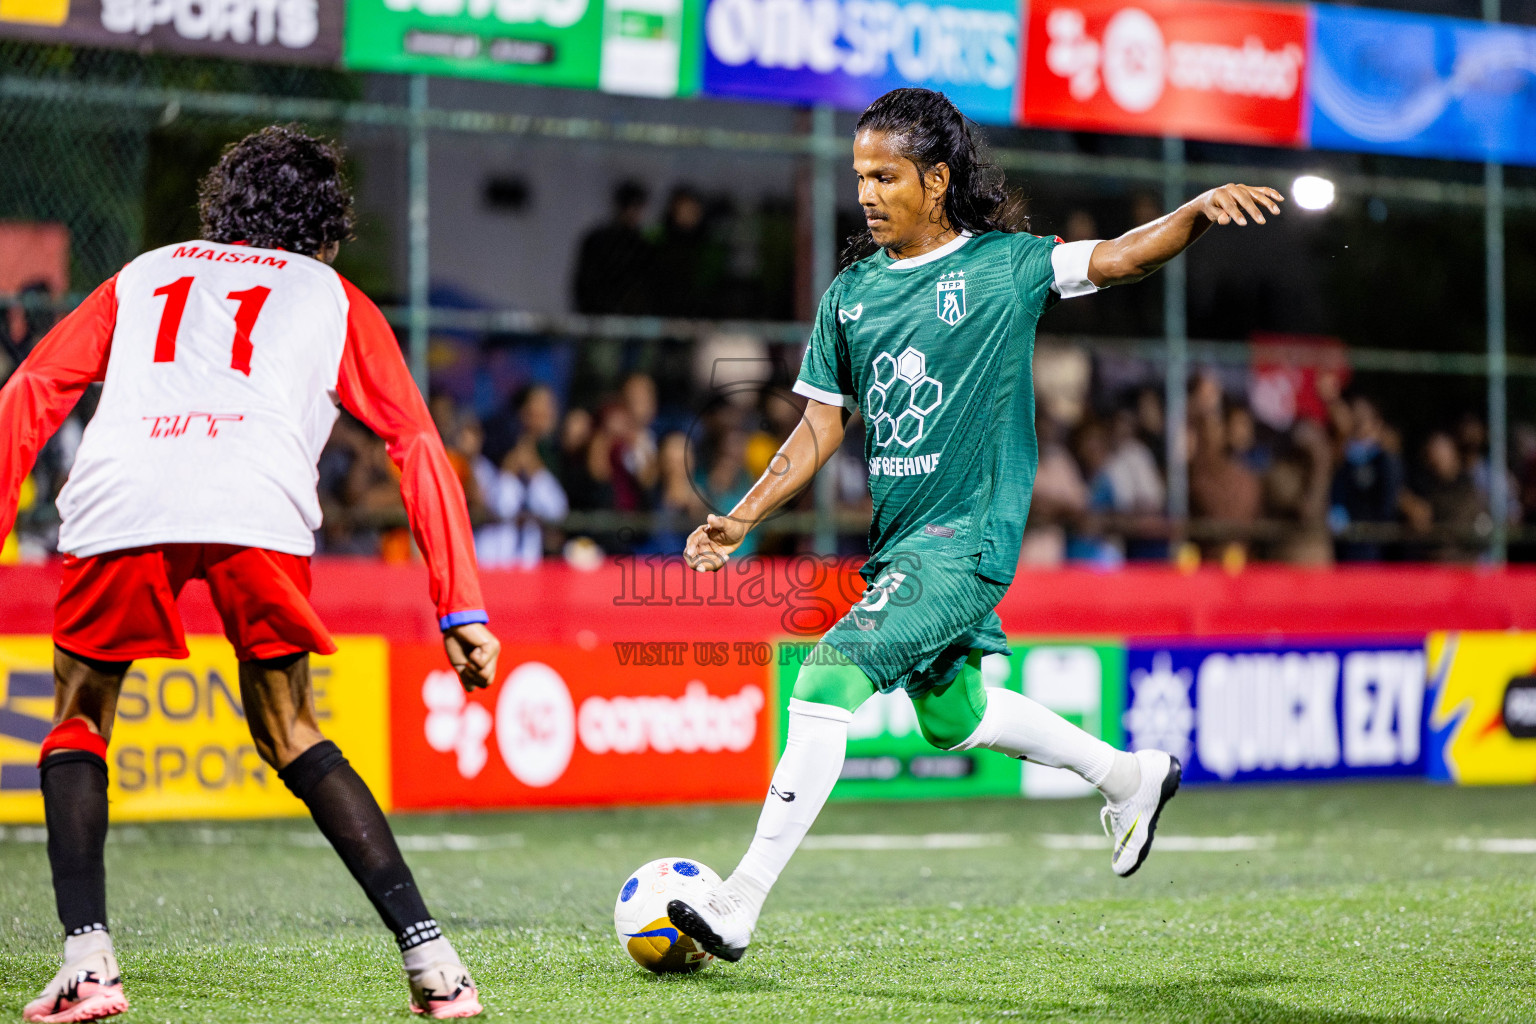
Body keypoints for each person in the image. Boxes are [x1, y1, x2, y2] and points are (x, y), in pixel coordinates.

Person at [673, 88, 1283, 963]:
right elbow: (818, 427)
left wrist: (1193, 213)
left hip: (967, 541)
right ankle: (1128, 777)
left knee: (826, 680)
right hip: (902, 546)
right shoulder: (851, 296)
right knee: (952, 718)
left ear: (936, 179)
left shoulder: (1005, 268)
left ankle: (737, 902)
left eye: (886, 176)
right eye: (860, 177)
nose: (867, 194)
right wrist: (742, 515)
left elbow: (1118, 259)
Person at [0, 127, 500, 1022]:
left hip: (123, 497)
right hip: (256, 503)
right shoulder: (333, 295)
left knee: (78, 717)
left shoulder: (145, 273)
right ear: (326, 231)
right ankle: (434, 963)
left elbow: (33, 391)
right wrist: (460, 604)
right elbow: (416, 442)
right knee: (291, 730)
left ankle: (89, 963)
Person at [571, 180, 652, 315]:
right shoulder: (598, 240)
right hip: (599, 317)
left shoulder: (644, 244)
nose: (633, 212)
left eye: (637, 207)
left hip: (632, 320)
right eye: (629, 205)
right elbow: (585, 283)